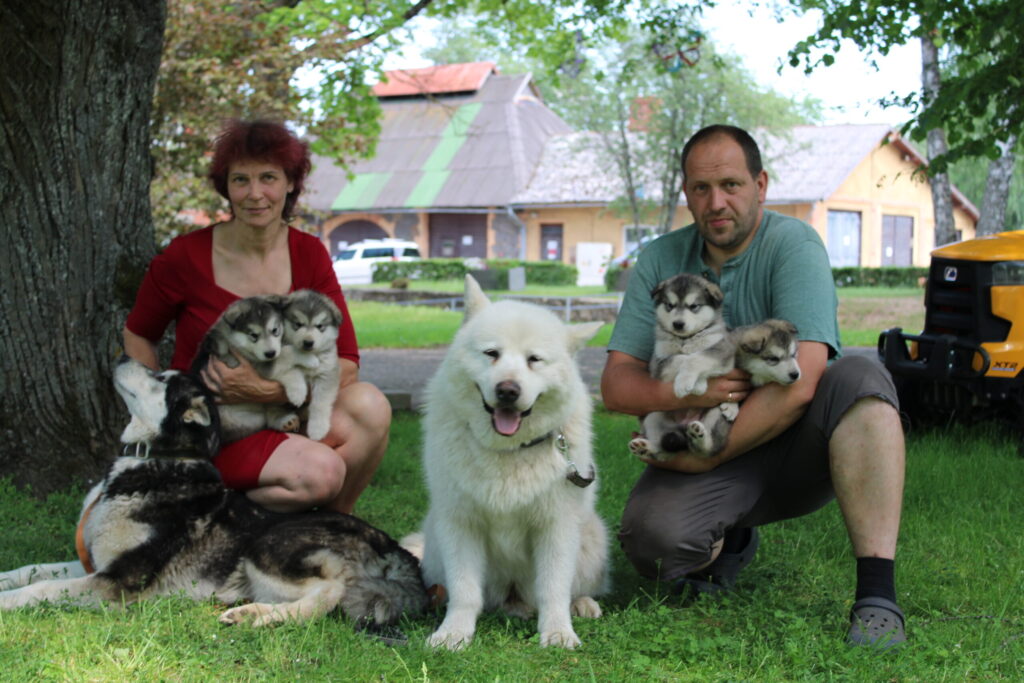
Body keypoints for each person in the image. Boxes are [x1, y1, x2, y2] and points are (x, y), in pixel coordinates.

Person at [601, 124, 907, 649]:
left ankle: (877, 597)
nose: (716, 201)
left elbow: (805, 376)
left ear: (760, 184)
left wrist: (709, 458)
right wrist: (696, 397)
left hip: (796, 438)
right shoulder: (659, 260)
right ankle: (733, 535)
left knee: (862, 378)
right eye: (700, 188)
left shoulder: (794, 245)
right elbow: (616, 387)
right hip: (701, 429)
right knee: (655, 546)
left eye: (731, 185)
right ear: (686, 194)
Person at [123, 119, 391, 516]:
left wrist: (269, 392)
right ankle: (224, 522)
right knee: (321, 472)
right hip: (215, 429)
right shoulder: (184, 257)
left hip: (286, 413)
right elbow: (138, 333)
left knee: (371, 406)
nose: (255, 194)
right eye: (240, 180)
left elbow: (347, 362)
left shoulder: (309, 254)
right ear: (226, 188)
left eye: (268, 178)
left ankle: (334, 526)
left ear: (289, 184)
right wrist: (159, 414)